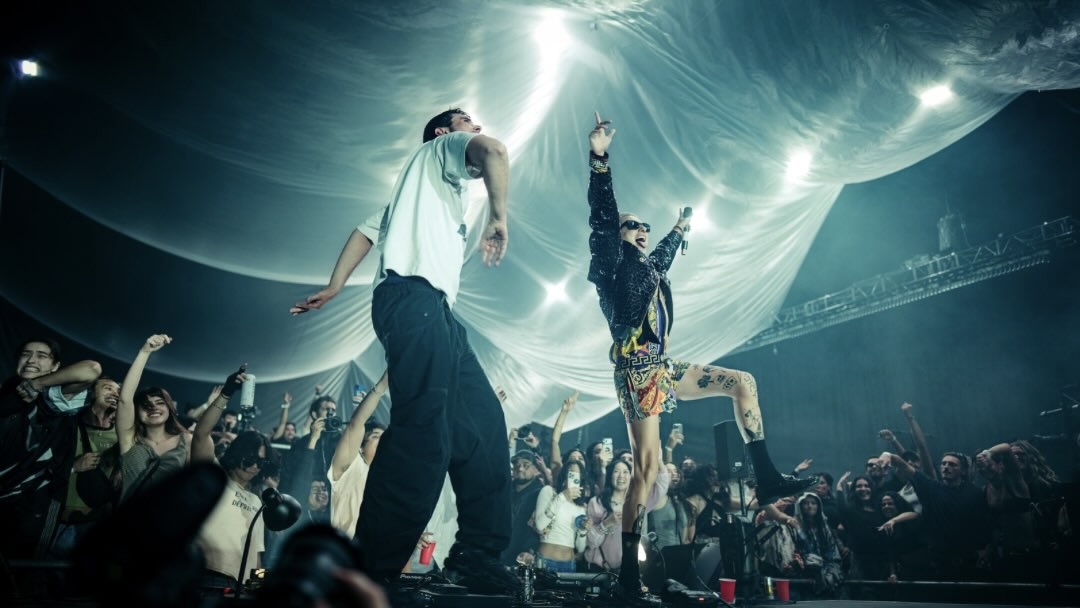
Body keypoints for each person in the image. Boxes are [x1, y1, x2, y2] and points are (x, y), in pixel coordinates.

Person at [585, 113, 814, 602]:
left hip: (662, 366)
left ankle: (768, 476)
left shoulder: (649, 266)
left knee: (742, 382)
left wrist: (679, 227)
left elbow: (663, 256)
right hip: (636, 372)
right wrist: (600, 159)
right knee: (647, 471)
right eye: (633, 225)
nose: (641, 230)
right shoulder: (609, 261)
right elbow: (603, 215)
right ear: (617, 234)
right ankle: (628, 577)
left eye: (645, 226)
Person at [291, 107, 515, 595]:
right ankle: (370, 568)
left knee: (483, 426)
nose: (476, 127)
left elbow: (366, 230)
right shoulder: (439, 149)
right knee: (424, 430)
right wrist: (498, 217)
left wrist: (335, 284)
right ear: (444, 131)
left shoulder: (423, 192)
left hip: (436, 311)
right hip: (413, 298)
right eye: (466, 121)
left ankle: (477, 554)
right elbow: (494, 151)